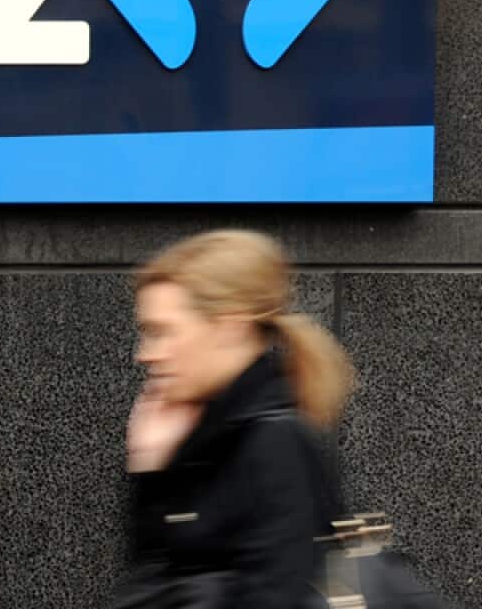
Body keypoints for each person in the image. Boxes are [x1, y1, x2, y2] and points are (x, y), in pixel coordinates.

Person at [114, 230, 353, 609]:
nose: (145, 354)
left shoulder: (276, 445)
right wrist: (153, 472)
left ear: (229, 326)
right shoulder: (204, 438)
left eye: (162, 332)